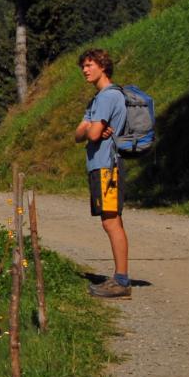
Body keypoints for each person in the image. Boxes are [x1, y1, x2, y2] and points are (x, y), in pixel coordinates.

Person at [73, 48, 131, 299]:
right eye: (83, 66)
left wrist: (91, 129)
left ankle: (121, 280)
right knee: (109, 220)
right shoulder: (96, 99)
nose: (85, 70)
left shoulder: (107, 97)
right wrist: (90, 128)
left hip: (108, 165)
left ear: (103, 67)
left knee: (111, 221)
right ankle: (119, 277)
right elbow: (78, 135)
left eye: (89, 65)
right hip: (100, 165)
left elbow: (92, 133)